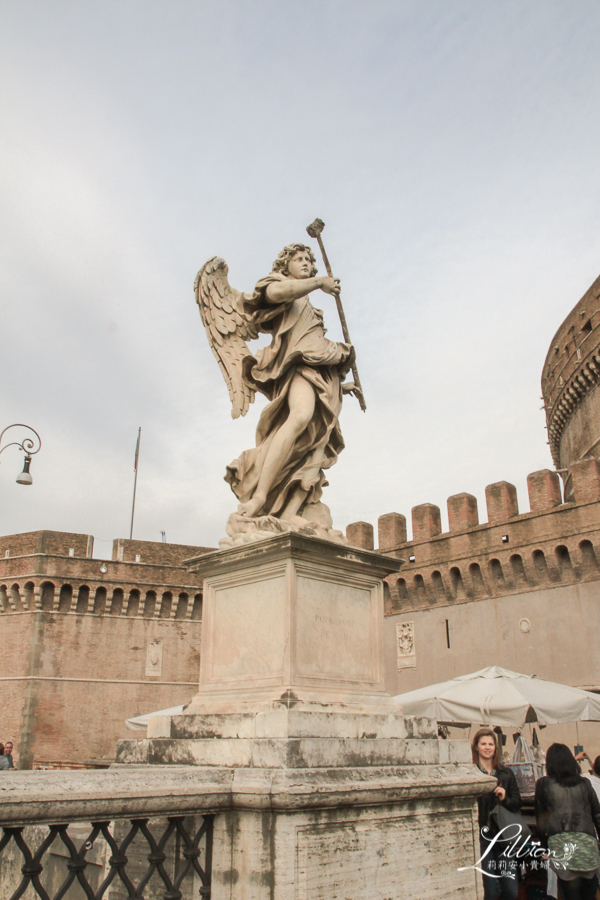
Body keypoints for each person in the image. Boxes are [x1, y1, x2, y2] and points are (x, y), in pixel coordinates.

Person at [227, 243, 356, 525]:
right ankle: (261, 495)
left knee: (316, 443)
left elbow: (316, 346)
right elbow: (275, 294)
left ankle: (290, 511)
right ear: (285, 265)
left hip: (321, 376)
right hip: (296, 368)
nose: (307, 263)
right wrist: (319, 282)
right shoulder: (280, 285)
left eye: (310, 260)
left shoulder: (307, 303)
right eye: (300, 259)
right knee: (299, 416)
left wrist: (342, 387)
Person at [535, 743, 600, 900]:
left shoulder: (543, 784)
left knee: (570, 893)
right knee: (589, 893)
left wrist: (544, 847)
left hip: (561, 845)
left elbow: (541, 820)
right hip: (587, 844)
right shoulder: (585, 783)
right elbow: (597, 815)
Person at [472, 727, 522, 900]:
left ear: (496, 748)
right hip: (482, 838)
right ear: (476, 747)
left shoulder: (505, 773)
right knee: (491, 891)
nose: (487, 747)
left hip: (503, 837)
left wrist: (505, 797)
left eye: (491, 744)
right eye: (483, 744)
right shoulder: (471, 773)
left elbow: (517, 803)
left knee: (511, 890)